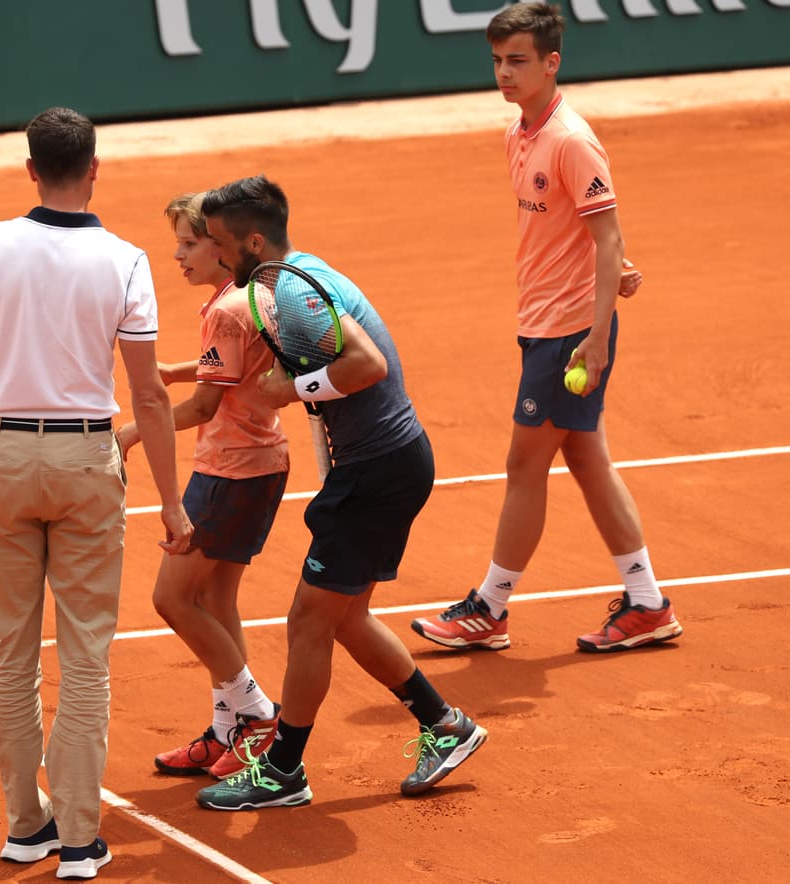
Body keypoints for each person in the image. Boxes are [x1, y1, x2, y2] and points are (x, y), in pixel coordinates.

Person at [0, 106, 192, 878]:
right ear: (94, 169)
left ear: (30, 170)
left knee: (8, 651)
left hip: (5, 455)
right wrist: (172, 499)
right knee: (87, 655)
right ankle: (80, 839)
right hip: (89, 463)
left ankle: (26, 827)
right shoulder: (125, 260)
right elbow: (149, 397)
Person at [192, 175, 487, 811]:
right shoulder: (294, 272)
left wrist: (290, 390)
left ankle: (283, 771)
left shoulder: (285, 292)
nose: (215, 255)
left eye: (219, 244)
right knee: (346, 618)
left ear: (253, 240)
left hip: (378, 471)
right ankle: (446, 726)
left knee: (308, 621)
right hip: (386, 463)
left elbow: (365, 366)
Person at [411, 4, 682, 654]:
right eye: (499, 61)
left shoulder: (570, 140)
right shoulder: (520, 135)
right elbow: (585, 234)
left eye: (519, 61)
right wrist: (613, 266)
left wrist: (596, 331)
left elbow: (607, 232)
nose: (505, 73)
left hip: (569, 333)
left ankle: (490, 607)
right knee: (587, 459)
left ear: (552, 62)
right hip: (541, 322)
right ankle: (646, 603)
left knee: (524, 461)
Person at [116, 192, 288, 780]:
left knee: (173, 599)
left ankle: (257, 714)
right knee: (215, 602)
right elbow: (233, 362)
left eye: (190, 244)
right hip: (259, 466)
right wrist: (175, 368)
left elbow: (206, 404)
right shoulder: (248, 296)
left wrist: (134, 431)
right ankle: (226, 731)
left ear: (221, 246)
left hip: (231, 471)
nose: (178, 256)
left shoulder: (224, 310)